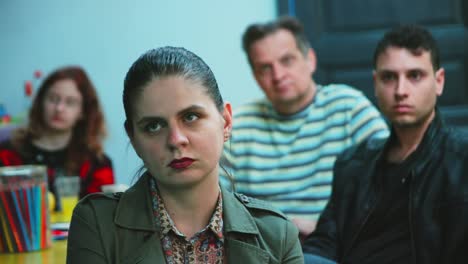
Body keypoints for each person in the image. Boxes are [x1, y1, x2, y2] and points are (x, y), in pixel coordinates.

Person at [66, 47, 304, 263]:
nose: (176, 139)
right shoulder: (97, 223)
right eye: (154, 126)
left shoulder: (277, 234)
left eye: (190, 117)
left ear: (226, 122)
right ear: (133, 138)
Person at [302, 24, 468, 263]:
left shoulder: (461, 159)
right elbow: (324, 242)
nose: (401, 91)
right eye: (389, 77)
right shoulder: (353, 163)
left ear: (439, 81)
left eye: (415, 76)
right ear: (375, 82)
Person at [221, 16, 389, 239]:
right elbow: (215, 204)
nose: (278, 75)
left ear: (310, 60)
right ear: (255, 77)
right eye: (265, 68)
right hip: (264, 248)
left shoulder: (349, 108)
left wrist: (325, 227)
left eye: (287, 60)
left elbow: (391, 183)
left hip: (336, 244)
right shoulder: (239, 126)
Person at [0, 66, 114, 211]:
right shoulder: (7, 154)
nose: (59, 108)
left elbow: (102, 217)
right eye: (53, 99)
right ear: (41, 102)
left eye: (70, 102)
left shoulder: (98, 163)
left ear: (83, 111)